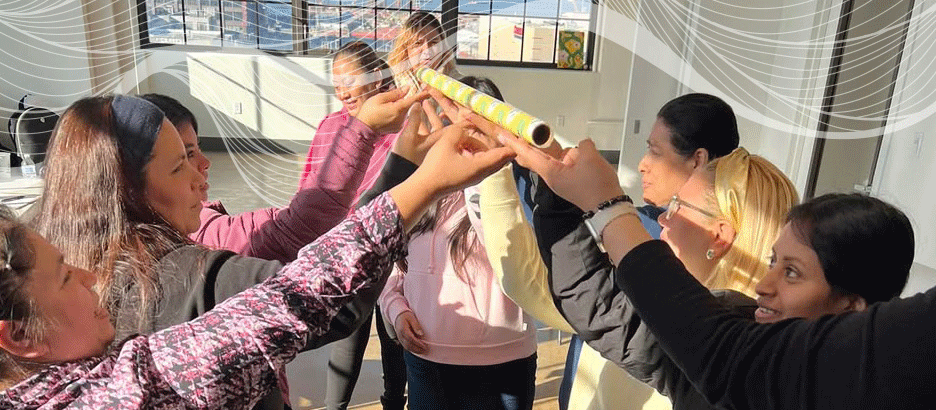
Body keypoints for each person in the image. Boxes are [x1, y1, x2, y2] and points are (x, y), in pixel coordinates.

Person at [0, 120, 516, 408]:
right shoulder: (117, 388)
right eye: (181, 160)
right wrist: (418, 182)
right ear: (18, 336)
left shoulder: (80, 252)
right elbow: (294, 298)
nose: (202, 167)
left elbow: (297, 229)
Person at [503, 132, 929, 410]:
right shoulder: (729, 317)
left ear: (855, 310)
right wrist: (561, 197)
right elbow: (602, 309)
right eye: (772, 263)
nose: (764, 285)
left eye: (792, 273)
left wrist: (608, 206)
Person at [463, 92, 742, 410]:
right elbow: (572, 292)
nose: (642, 165)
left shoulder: (645, 247)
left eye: (654, 151)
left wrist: (604, 205)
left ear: (698, 160)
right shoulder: (648, 233)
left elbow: (567, 293)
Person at [377, 81, 538, 410]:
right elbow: (389, 258)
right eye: (452, 120)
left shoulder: (517, 187)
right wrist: (397, 310)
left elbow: (514, 254)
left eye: (477, 123)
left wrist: (484, 177)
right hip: (425, 358)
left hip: (502, 363)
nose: (465, 133)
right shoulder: (421, 185)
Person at [291, 41, 410, 410]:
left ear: (375, 80)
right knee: (347, 340)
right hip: (347, 254)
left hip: (395, 251)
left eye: (351, 80)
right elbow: (309, 185)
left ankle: (394, 401)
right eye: (336, 81)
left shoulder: (403, 126)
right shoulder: (330, 127)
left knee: (395, 335)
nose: (342, 90)